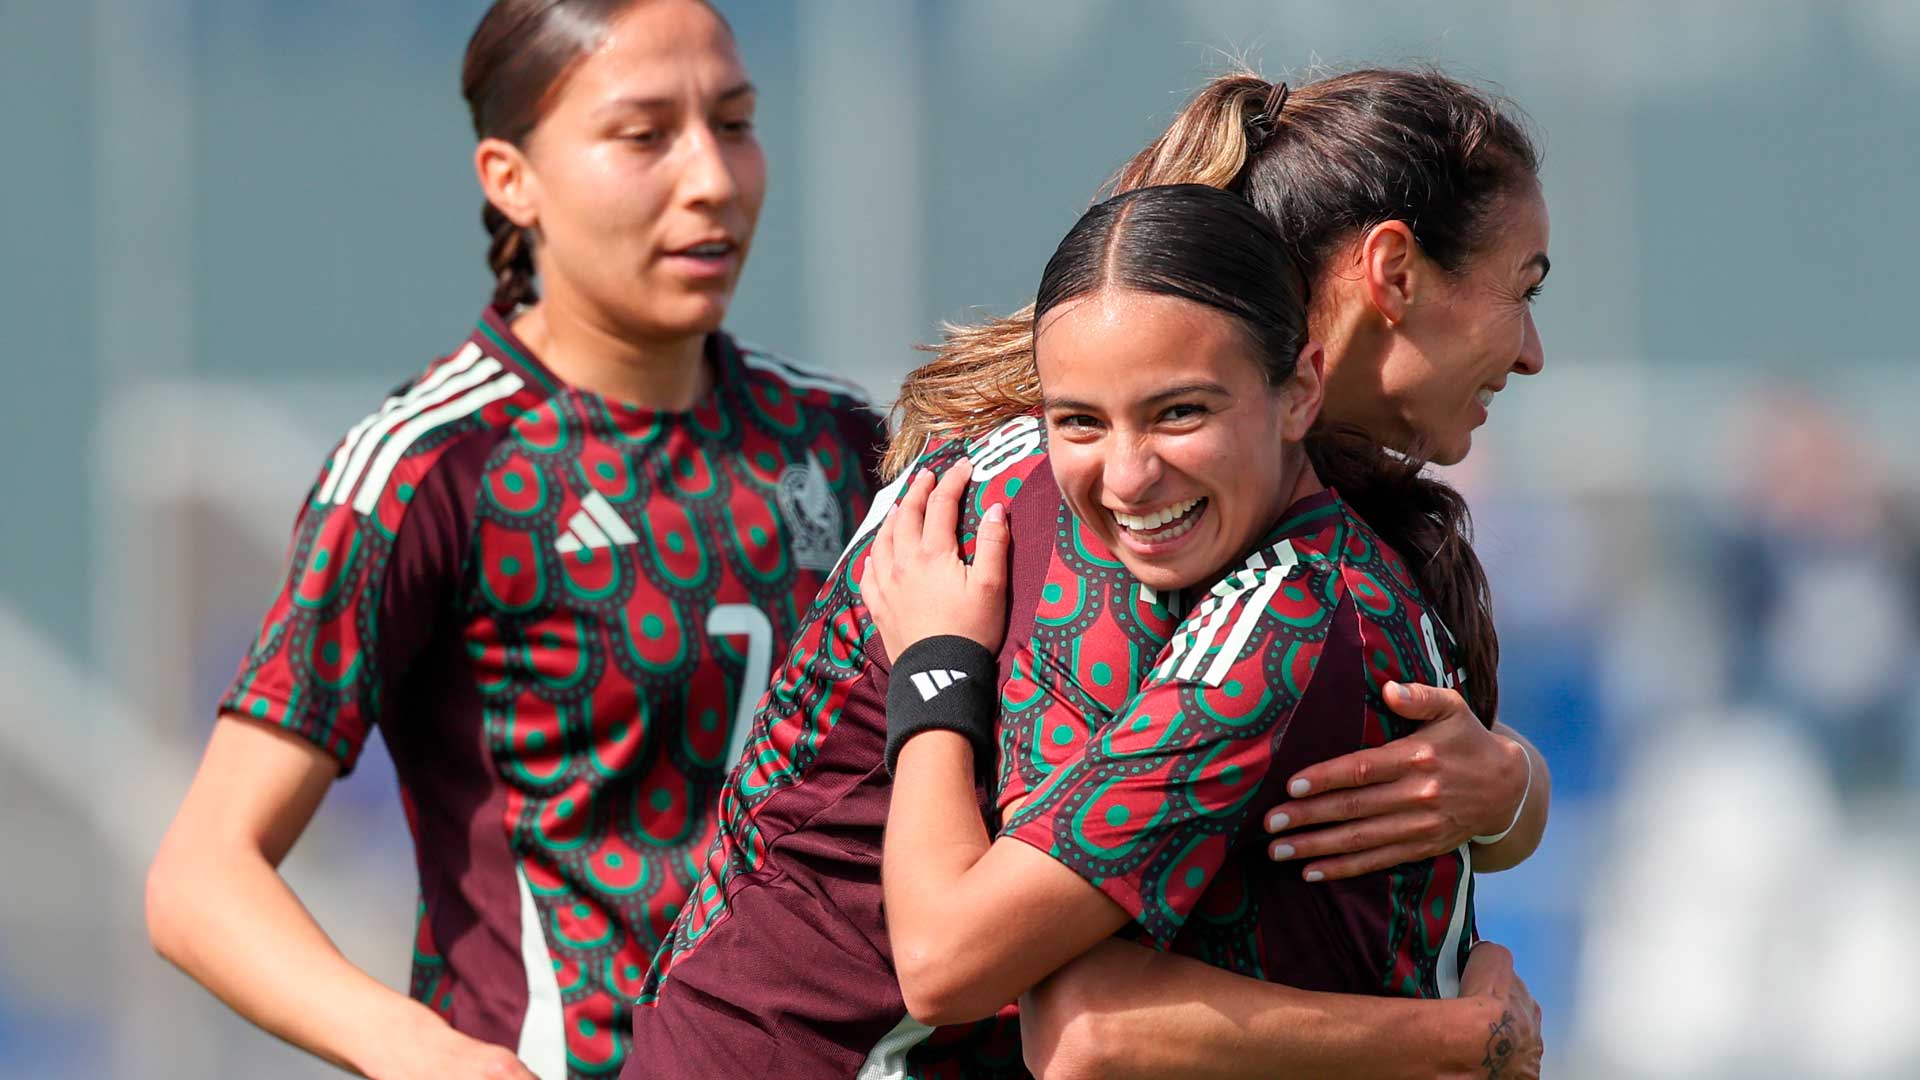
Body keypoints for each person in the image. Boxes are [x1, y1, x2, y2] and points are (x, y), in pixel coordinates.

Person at [629, 70, 1549, 1078]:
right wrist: (1457, 1044)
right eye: (1524, 287)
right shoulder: (1115, 528)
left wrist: (1508, 788)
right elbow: (1060, 1006)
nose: (1533, 349)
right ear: (1395, 274)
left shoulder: (1255, 524)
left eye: (1179, 414)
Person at [144, 3, 883, 1078]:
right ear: (510, 177)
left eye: (734, 122)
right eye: (644, 136)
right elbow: (200, 879)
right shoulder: (432, 465)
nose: (712, 178)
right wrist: (420, 1053)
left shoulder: (840, 439)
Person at [871, 182, 1529, 1079]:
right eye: (1078, 422)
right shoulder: (1307, 569)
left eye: (1180, 412)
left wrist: (934, 666)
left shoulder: (1281, 613)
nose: (1129, 477)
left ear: (1301, 390)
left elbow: (977, 975)